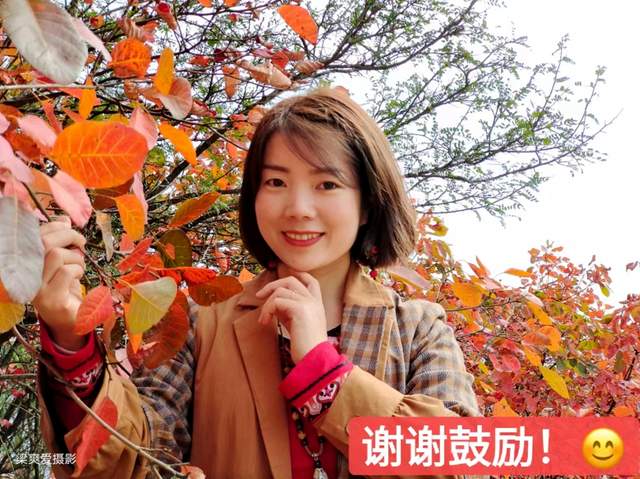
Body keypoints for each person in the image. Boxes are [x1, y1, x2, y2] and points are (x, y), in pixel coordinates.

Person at [34, 88, 480, 479]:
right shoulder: (200, 324)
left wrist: (324, 373)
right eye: (276, 181)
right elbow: (134, 462)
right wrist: (70, 343)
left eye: (327, 184)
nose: (298, 207)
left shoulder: (418, 329)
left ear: (367, 203)